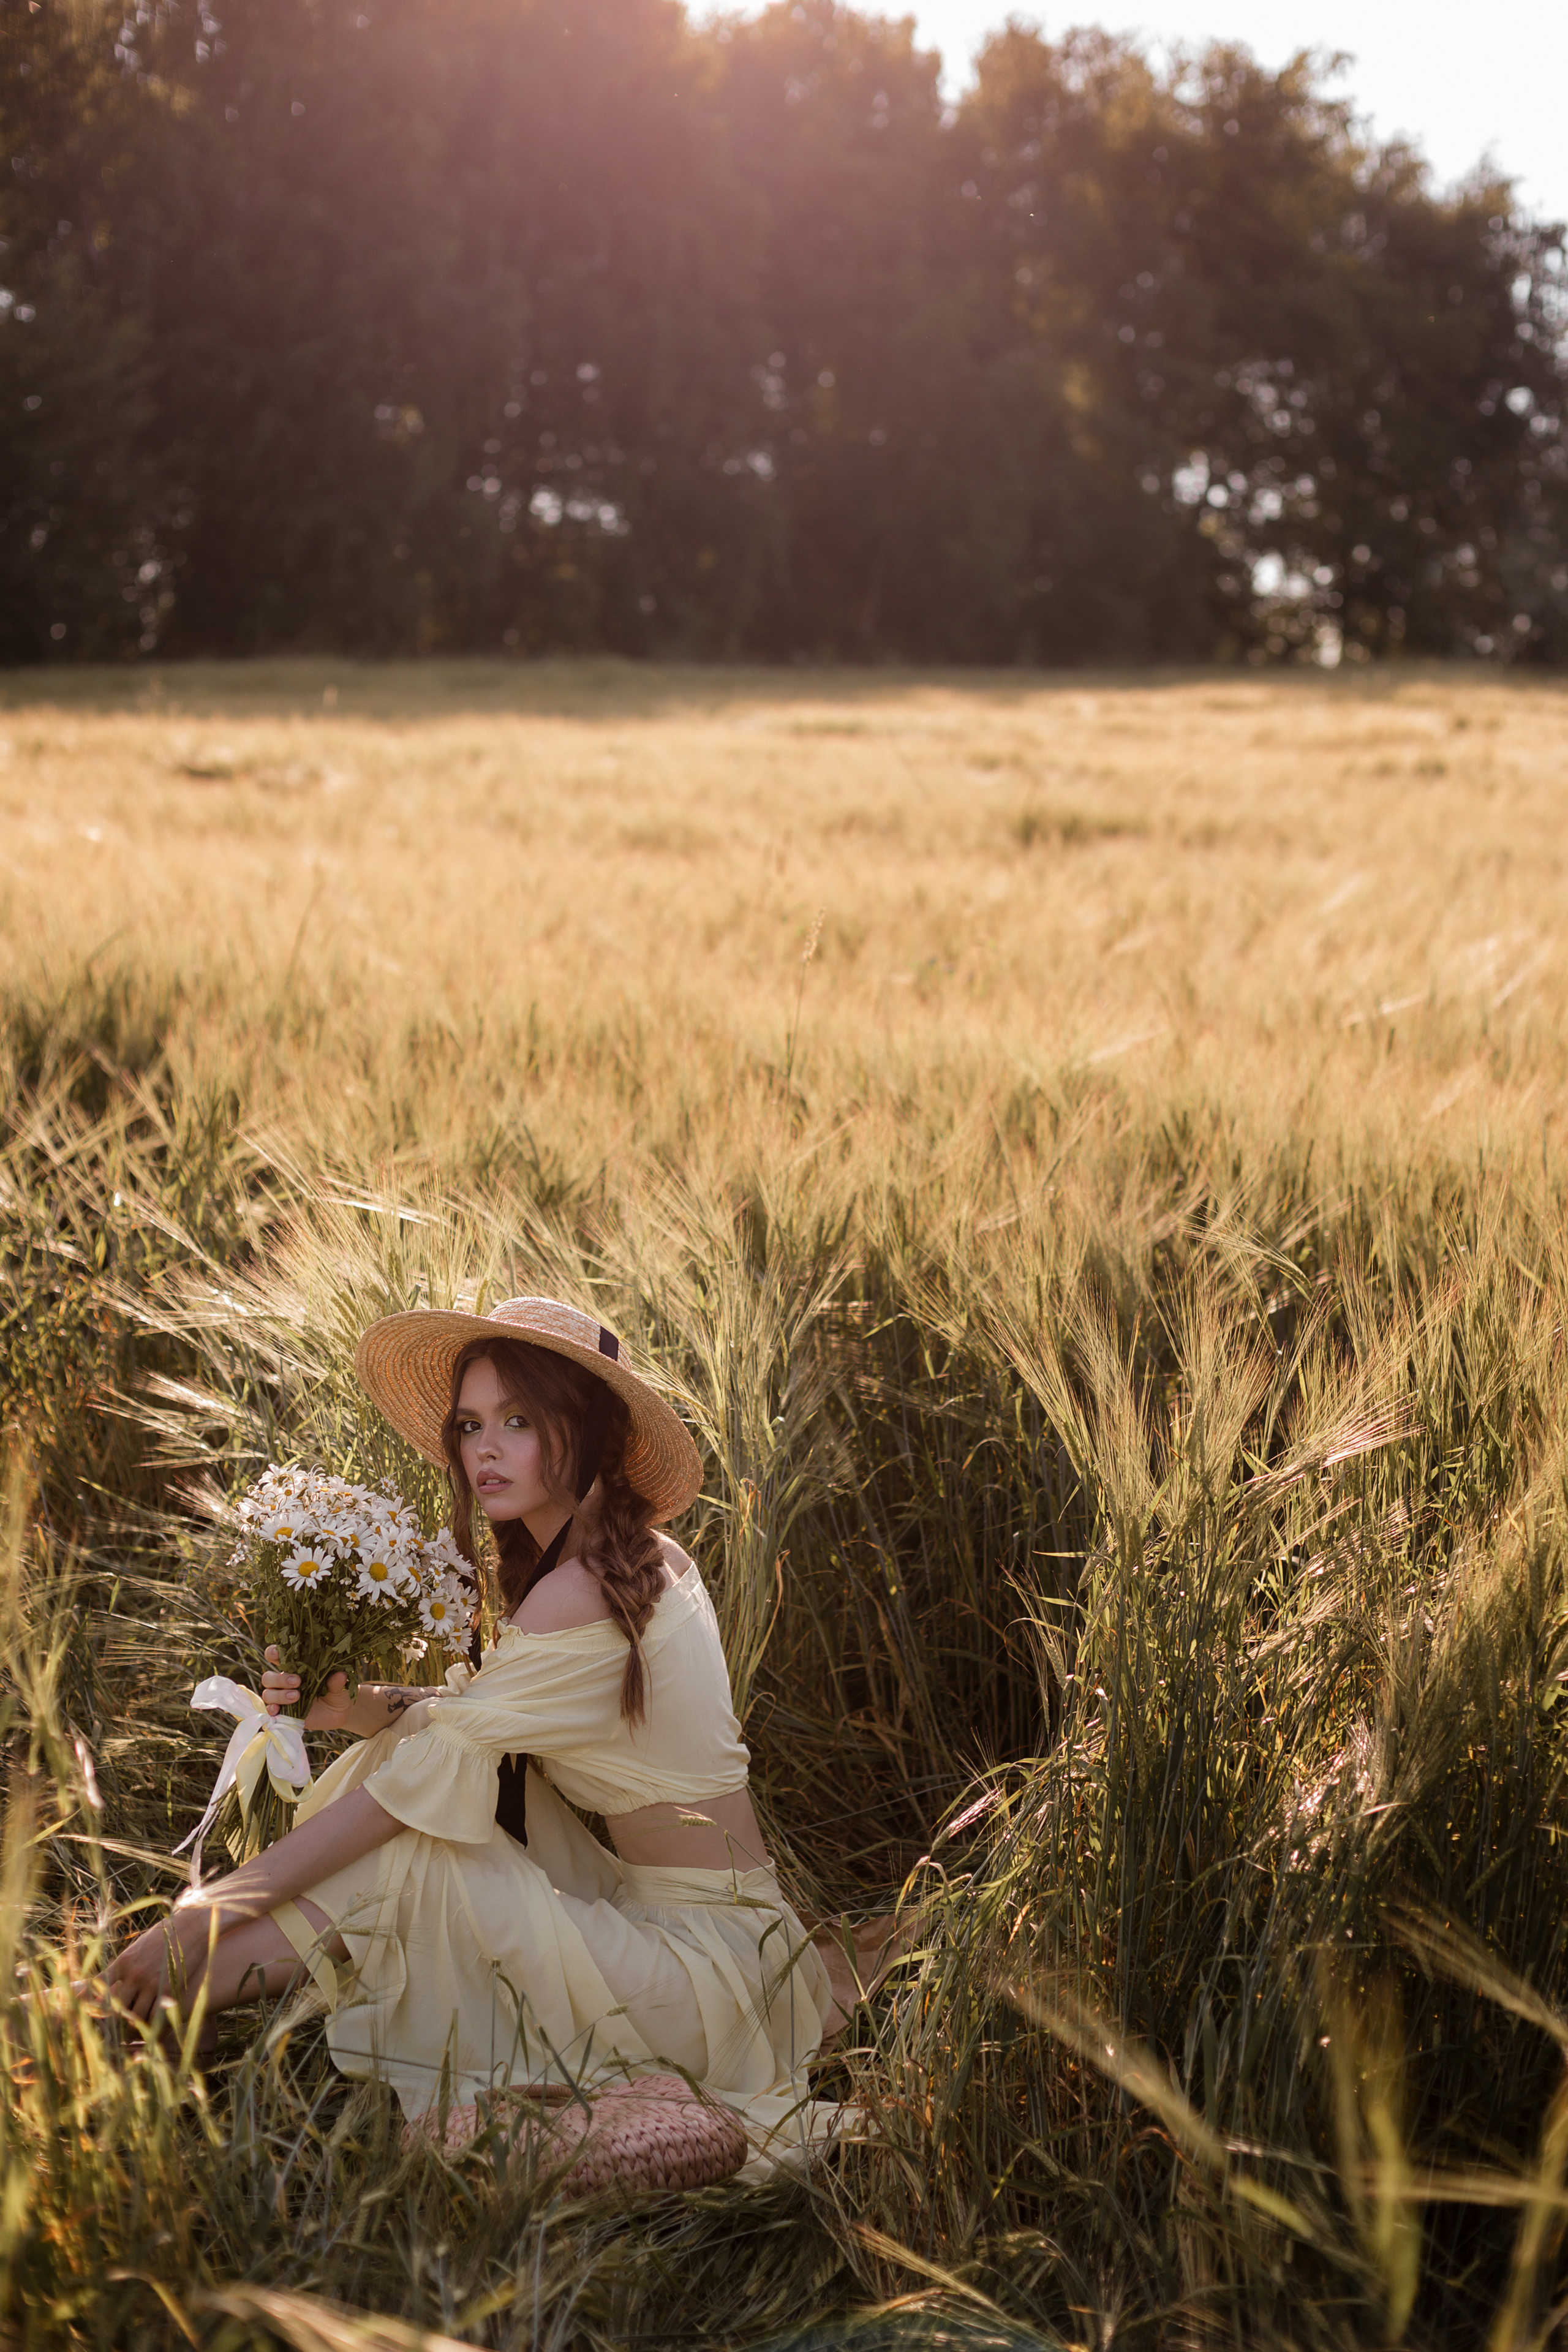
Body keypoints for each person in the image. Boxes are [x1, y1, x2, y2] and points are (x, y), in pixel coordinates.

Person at [105, 1296, 839, 2167]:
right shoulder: (622, 1559)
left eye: (518, 1421)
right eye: (470, 1424)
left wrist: (203, 1912)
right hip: (739, 1946)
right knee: (414, 1785)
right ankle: (150, 1992)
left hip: (708, 1981)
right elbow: (464, 1723)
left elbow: (413, 1789)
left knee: (418, 1842)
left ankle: (148, 1989)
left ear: (588, 1432)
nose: (484, 1449)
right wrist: (355, 1707)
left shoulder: (586, 1592)